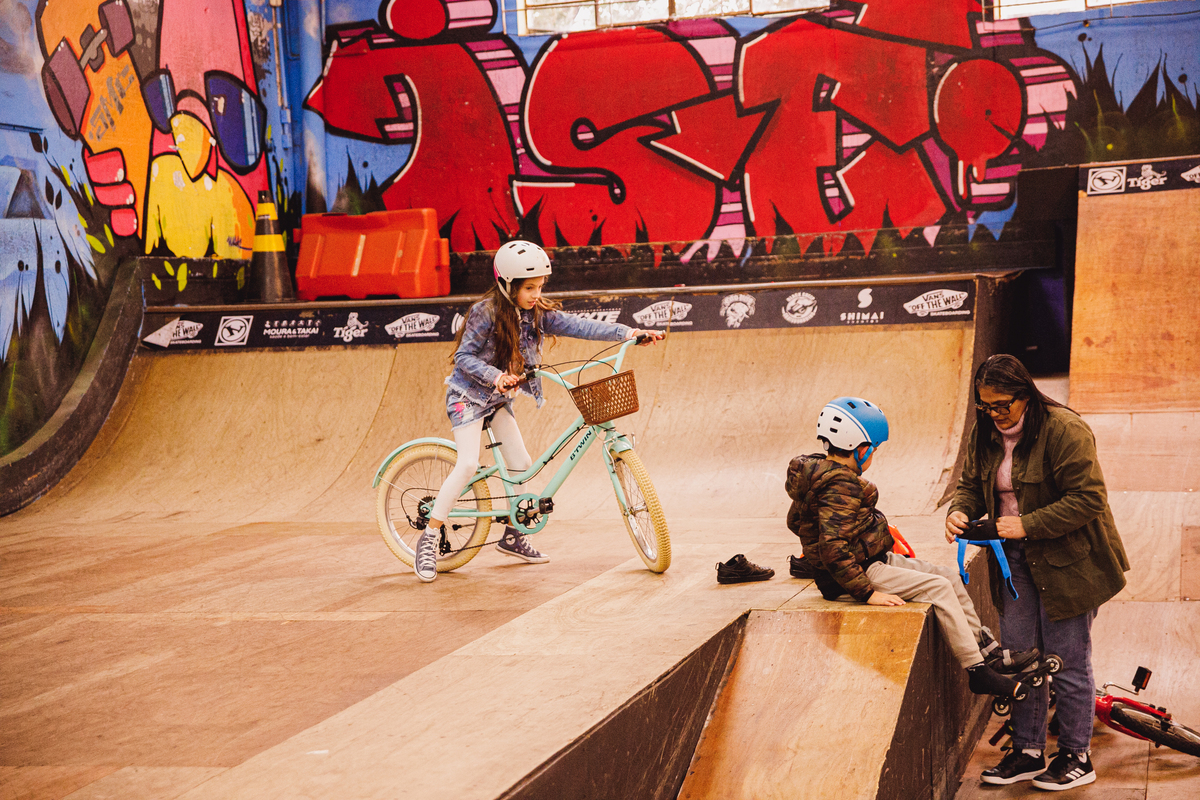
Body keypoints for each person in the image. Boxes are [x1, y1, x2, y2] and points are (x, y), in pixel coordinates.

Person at [414, 240, 662, 583]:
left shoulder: (536, 313)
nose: (535, 293)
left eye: (540, 286)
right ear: (506, 284)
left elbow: (580, 325)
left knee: (521, 465)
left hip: (498, 400)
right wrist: (496, 376)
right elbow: (463, 359)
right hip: (467, 396)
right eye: (529, 288)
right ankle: (428, 536)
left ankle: (513, 534)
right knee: (469, 463)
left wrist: (629, 333)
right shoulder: (484, 312)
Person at [946, 354, 1129, 791]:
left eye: (1001, 405)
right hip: (1015, 563)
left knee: (1065, 659)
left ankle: (1075, 755)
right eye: (984, 406)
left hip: (1071, 561)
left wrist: (1026, 523)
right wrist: (959, 510)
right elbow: (971, 484)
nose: (993, 414)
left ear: (1025, 395)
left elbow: (1088, 499)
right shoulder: (985, 432)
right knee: (1020, 655)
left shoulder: (1064, 430)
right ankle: (1027, 751)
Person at [786, 397, 1030, 699]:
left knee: (949, 576)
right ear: (861, 450)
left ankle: (987, 648)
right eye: (873, 450)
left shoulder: (817, 476)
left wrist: (861, 536)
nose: (873, 456)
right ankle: (978, 671)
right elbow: (832, 547)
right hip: (856, 575)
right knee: (939, 587)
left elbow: (795, 521)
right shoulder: (841, 486)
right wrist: (868, 592)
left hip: (872, 560)